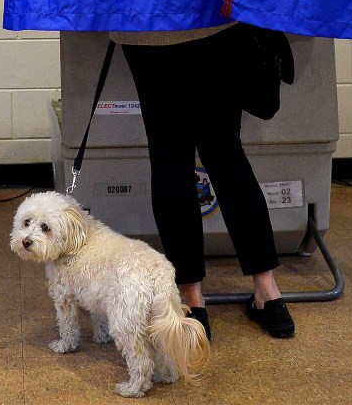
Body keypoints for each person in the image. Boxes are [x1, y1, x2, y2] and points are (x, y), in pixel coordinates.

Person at [112, 22, 295, 340]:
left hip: (148, 30)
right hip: (213, 25)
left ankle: (193, 302)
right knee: (227, 156)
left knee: (170, 160)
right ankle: (268, 293)